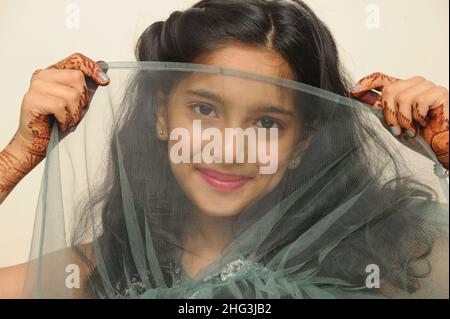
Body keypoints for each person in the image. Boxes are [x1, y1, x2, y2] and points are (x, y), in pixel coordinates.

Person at [0, 0, 448, 299]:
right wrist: (17, 156)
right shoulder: (93, 273)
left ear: (302, 141)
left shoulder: (390, 256)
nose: (230, 148)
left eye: (268, 122)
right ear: (162, 115)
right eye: (204, 109)